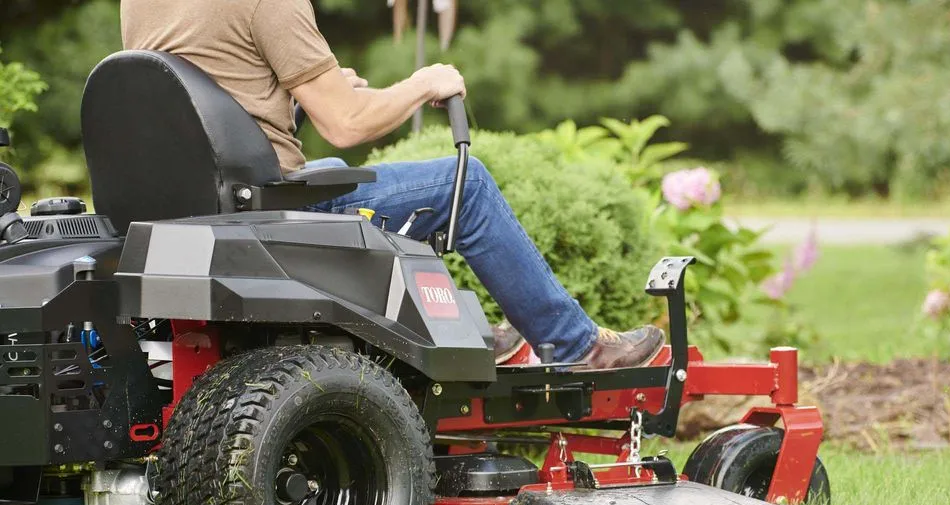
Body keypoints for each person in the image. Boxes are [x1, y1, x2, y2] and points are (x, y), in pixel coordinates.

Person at [120, 0, 665, 369]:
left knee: (331, 169)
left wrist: (304, 93)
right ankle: (574, 346)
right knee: (464, 183)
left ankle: (451, 326)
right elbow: (348, 122)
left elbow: (205, 96)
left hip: (193, 210)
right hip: (261, 217)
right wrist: (421, 83)